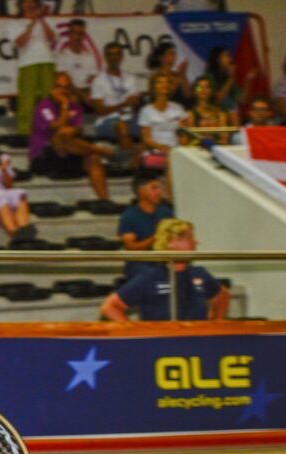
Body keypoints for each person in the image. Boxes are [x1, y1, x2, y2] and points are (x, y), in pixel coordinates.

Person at [101, 219, 230, 321]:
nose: (195, 242)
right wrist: (136, 333)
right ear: (171, 242)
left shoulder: (199, 273)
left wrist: (214, 324)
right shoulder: (150, 277)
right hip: (162, 346)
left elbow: (222, 296)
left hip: (197, 344)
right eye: (190, 238)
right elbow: (110, 307)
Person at [29, 72, 112, 199]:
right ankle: (103, 151)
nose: (63, 91)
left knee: (93, 159)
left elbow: (74, 130)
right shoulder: (43, 106)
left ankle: (104, 201)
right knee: (61, 136)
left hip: (69, 151)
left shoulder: (77, 108)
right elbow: (57, 128)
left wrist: (68, 123)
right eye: (59, 87)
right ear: (51, 89)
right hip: (44, 155)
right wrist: (64, 105)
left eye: (66, 87)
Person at [7, 0, 56, 135]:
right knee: (27, 100)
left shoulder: (45, 21)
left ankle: (49, 129)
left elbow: (52, 38)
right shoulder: (15, 23)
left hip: (47, 61)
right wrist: (32, 22)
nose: (29, 5)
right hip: (27, 63)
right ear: (21, 5)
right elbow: (20, 42)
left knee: (48, 99)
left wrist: (41, 20)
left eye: (32, 2)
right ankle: (25, 131)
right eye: (26, 2)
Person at [117, 170, 173, 280]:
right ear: (141, 191)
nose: (158, 192)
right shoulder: (129, 216)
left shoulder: (166, 212)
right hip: (141, 265)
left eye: (159, 188)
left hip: (164, 261)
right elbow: (131, 248)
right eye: (154, 188)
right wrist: (156, 237)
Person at [90, 42, 143, 157]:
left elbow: (135, 105)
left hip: (130, 118)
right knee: (121, 126)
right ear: (106, 57)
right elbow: (99, 111)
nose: (114, 57)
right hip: (107, 121)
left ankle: (151, 159)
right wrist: (123, 105)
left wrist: (135, 103)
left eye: (117, 54)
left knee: (148, 124)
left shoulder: (130, 78)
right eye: (110, 54)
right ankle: (130, 162)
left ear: (122, 57)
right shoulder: (99, 80)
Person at [138, 73, 187, 171]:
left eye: (166, 82)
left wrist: (181, 150)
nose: (164, 85)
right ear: (153, 87)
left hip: (175, 151)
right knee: (168, 162)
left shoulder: (178, 108)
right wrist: (161, 147)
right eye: (160, 82)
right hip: (155, 152)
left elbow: (183, 134)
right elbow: (146, 138)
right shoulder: (146, 111)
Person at [204, 46, 256, 127]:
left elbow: (243, 99)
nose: (230, 59)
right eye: (226, 56)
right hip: (214, 119)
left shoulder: (228, 79)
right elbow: (217, 98)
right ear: (218, 59)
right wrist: (231, 77)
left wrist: (248, 81)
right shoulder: (209, 77)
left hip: (232, 119)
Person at [54, 19, 99, 101]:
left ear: (84, 35)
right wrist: (81, 94)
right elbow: (65, 80)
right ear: (69, 35)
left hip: (84, 91)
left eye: (80, 33)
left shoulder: (89, 57)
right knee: (73, 99)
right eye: (74, 33)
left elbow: (93, 78)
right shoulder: (61, 56)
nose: (77, 37)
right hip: (69, 91)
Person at [183, 76, 229, 145]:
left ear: (211, 90)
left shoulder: (220, 114)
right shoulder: (190, 114)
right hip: (196, 151)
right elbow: (189, 139)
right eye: (199, 88)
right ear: (195, 91)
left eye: (207, 87)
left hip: (217, 149)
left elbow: (225, 139)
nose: (203, 90)